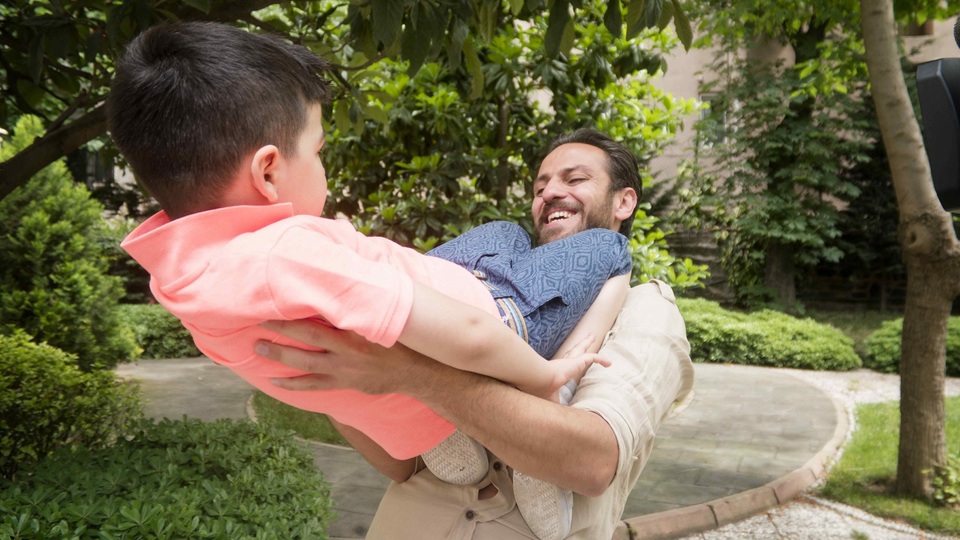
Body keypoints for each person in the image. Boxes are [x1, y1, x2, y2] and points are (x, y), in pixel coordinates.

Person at [107, 22, 639, 540]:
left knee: (503, 232)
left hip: (415, 420)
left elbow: (332, 395)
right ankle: (587, 331)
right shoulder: (288, 258)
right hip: (498, 328)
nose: (548, 193)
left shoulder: (188, 289)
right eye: (317, 150)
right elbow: (474, 336)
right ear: (268, 172)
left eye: (573, 181)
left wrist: (345, 249)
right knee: (610, 248)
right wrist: (543, 380)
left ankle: (455, 442)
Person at [258, 130, 696, 539]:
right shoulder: (490, 273)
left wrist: (415, 374)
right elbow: (402, 465)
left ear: (624, 202)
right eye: (540, 187)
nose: (549, 193)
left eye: (575, 179)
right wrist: (342, 381)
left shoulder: (647, 310)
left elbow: (593, 461)